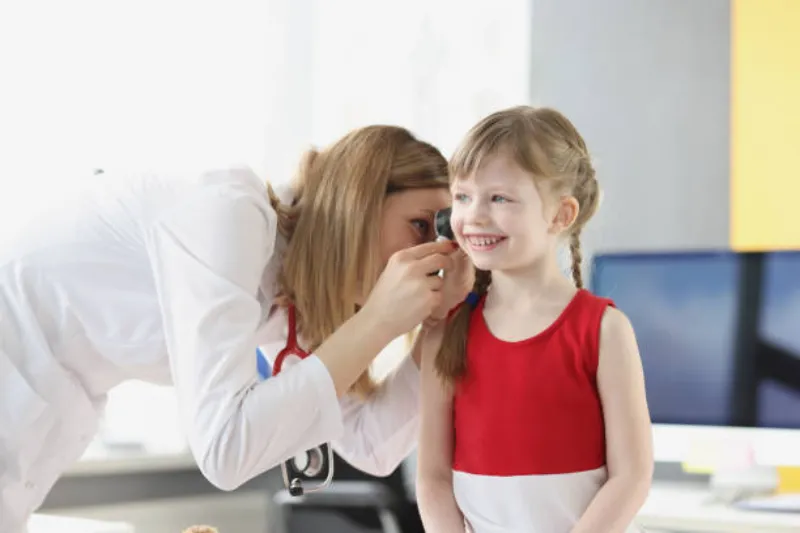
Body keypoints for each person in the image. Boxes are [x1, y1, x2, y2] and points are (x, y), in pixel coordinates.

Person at [0, 124, 469, 532]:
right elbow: (225, 451)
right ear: (360, 202)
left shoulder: (297, 288)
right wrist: (380, 319)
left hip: (42, 414)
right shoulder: (230, 215)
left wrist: (440, 326)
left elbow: (371, 445)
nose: (430, 253)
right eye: (420, 225)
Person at [416, 106, 653, 532]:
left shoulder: (604, 330)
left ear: (561, 215)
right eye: (463, 197)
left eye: (499, 198)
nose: (474, 216)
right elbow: (433, 477)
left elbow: (631, 476)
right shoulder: (445, 332)